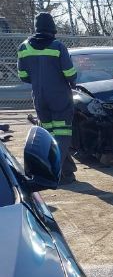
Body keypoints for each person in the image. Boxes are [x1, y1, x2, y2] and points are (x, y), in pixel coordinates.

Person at [17, 12, 78, 184]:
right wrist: (73, 83)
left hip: (39, 97)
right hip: (59, 96)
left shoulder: (24, 47)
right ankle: (54, 173)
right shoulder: (57, 46)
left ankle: (67, 172)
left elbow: (23, 75)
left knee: (48, 135)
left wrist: (38, 80)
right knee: (62, 136)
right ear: (52, 28)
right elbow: (69, 73)